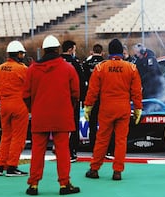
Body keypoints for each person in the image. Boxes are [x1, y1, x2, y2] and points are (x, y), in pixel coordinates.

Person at [23, 35, 80, 195]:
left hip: (40, 115)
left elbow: (25, 94)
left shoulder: (32, 69)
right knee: (62, 150)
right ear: (58, 50)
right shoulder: (68, 68)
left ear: (44, 50)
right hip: (61, 115)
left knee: (37, 151)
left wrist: (33, 109)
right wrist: (69, 107)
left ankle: (33, 184)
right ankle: (64, 184)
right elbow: (75, 93)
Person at [84, 38, 142, 181]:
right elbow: (136, 91)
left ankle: (94, 169)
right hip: (123, 108)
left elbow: (92, 90)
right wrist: (138, 108)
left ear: (109, 52)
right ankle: (117, 171)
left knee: (102, 139)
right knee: (121, 140)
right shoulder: (131, 68)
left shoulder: (100, 67)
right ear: (122, 52)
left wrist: (88, 106)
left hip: (106, 108)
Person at [0, 40, 29, 177]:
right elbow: (29, 88)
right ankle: (12, 166)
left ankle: (0, 165)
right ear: (18, 54)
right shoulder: (22, 69)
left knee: (6, 136)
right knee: (18, 137)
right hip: (19, 105)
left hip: (4, 105)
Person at [61, 40, 86, 162]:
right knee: (73, 125)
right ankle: (72, 152)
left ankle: (59, 149)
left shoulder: (56, 61)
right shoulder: (75, 63)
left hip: (57, 100)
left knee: (59, 126)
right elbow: (81, 82)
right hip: (72, 100)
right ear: (70, 49)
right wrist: (82, 99)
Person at [82, 43, 104, 151]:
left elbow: (83, 80)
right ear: (102, 52)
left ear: (92, 51)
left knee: (92, 124)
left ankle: (92, 146)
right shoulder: (104, 64)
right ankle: (104, 148)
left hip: (90, 96)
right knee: (105, 125)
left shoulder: (86, 63)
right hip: (103, 98)